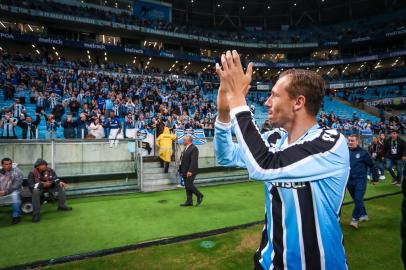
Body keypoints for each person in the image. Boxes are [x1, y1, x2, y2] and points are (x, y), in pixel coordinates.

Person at [214, 50, 349, 269]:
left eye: (274, 95)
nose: (267, 102)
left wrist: (237, 98)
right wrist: (223, 113)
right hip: (269, 264)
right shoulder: (274, 138)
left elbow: (264, 165)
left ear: (298, 102)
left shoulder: (331, 143)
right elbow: (225, 156)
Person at [347, 134, 378, 229]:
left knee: (358, 198)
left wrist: (375, 178)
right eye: (349, 140)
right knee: (357, 200)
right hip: (349, 181)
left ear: (357, 142)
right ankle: (364, 214)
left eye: (352, 141)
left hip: (360, 180)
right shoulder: (344, 152)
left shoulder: (364, 153)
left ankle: (354, 219)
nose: (350, 142)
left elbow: (372, 165)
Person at [179, 135, 203, 206]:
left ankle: (199, 195)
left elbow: (194, 161)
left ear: (188, 141)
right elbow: (182, 160)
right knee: (187, 186)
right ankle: (189, 201)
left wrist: (190, 171)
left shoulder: (194, 148)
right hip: (184, 170)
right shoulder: (186, 148)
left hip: (190, 171)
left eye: (184, 140)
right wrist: (180, 170)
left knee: (189, 185)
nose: (183, 141)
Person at [0, 158, 23, 224]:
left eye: (10, 163)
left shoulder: (17, 172)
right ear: (2, 165)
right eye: (6, 164)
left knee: (15, 196)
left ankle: (16, 216)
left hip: (14, 190)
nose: (9, 165)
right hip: (2, 191)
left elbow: (16, 185)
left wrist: (5, 192)